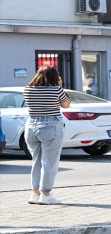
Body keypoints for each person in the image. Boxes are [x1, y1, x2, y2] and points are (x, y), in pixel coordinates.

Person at [23, 65, 70, 205]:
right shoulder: (56, 89)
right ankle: (46, 194)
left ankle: (35, 193)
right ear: (54, 77)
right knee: (49, 162)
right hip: (50, 126)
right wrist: (60, 86)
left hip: (31, 126)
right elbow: (66, 105)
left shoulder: (27, 89)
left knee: (36, 161)